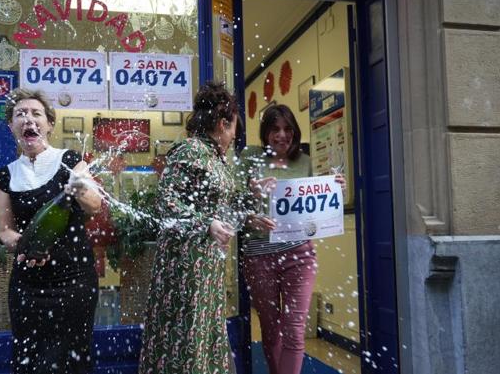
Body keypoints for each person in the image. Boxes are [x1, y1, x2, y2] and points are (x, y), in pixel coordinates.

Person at [138, 82, 270, 374]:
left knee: (201, 336)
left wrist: (250, 204)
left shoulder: (214, 157)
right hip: (184, 267)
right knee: (184, 337)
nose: (235, 134)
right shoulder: (190, 149)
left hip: (205, 265)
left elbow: (217, 208)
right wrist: (205, 224)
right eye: (234, 126)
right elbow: (166, 203)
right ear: (223, 123)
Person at [0, 88, 102, 374]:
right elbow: (4, 229)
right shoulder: (5, 175)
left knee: (71, 360)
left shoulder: (71, 161)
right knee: (30, 361)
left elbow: (94, 206)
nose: (28, 118)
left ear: (49, 124)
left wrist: (79, 186)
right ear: (11, 127)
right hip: (28, 284)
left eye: (35, 113)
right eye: (20, 114)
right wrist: (17, 242)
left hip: (74, 282)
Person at [239, 104, 345, 374]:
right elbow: (231, 204)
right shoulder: (250, 157)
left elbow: (315, 209)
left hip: (299, 254)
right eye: (275, 129)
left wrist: (334, 190)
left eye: (287, 129)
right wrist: (251, 191)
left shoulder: (305, 161)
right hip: (259, 255)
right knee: (271, 328)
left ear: (295, 132)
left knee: (295, 330)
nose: (281, 135)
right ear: (265, 132)